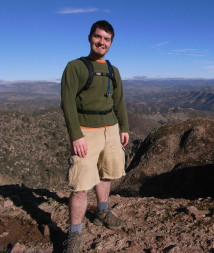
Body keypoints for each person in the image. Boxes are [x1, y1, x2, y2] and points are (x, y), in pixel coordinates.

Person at [60, 20, 129, 253]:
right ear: (90, 37)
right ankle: (75, 234)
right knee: (80, 185)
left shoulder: (113, 70)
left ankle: (102, 211)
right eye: (98, 37)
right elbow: (67, 103)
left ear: (111, 42)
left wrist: (124, 128)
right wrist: (75, 135)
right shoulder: (75, 67)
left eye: (107, 39)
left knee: (106, 174)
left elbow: (119, 102)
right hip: (86, 132)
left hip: (111, 129)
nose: (102, 42)